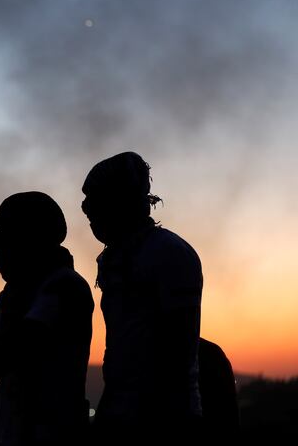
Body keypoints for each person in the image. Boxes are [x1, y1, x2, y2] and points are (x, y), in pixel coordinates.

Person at [81, 152, 203, 442]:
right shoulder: (115, 259)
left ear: (121, 203)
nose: (89, 215)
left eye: (96, 206)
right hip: (122, 415)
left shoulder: (167, 253)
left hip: (165, 420)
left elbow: (178, 349)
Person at [0, 191, 94, 445]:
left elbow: (24, 345)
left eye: (9, 241)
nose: (2, 253)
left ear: (34, 239)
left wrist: (3, 343)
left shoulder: (64, 286)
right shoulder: (12, 294)